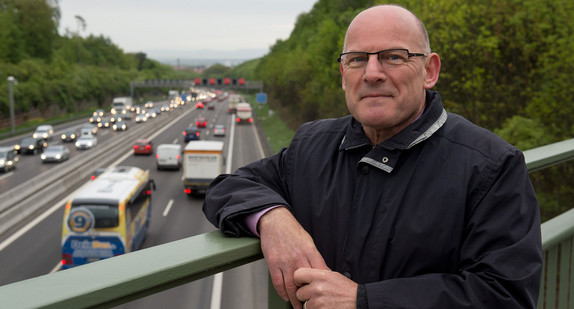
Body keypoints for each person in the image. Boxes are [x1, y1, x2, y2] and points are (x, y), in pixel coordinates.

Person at [203, 4, 542, 309]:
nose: (372, 73)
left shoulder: (492, 166)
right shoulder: (312, 144)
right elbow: (228, 187)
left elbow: (504, 295)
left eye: (394, 56)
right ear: (343, 76)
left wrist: (363, 301)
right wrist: (274, 220)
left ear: (429, 71)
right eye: (357, 59)